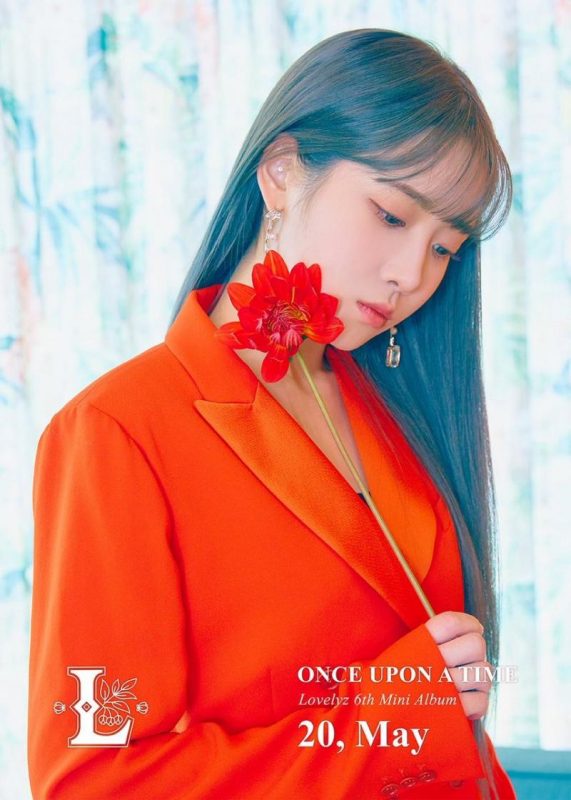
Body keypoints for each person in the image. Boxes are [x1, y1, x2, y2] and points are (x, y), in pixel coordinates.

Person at [27, 28, 517, 800]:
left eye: (443, 248)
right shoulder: (119, 432)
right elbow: (94, 779)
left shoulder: (403, 415)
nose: (409, 276)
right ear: (282, 171)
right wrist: (393, 718)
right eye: (391, 216)